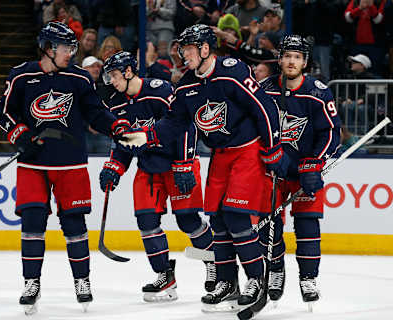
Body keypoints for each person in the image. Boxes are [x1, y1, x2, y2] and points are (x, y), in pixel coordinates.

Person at [118, 24, 288, 308]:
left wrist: (272, 149)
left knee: (236, 217)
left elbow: (264, 108)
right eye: (182, 49)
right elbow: (174, 122)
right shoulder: (186, 84)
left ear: (205, 48)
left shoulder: (232, 71)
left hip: (247, 151)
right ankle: (227, 281)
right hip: (220, 155)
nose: (183, 54)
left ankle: (255, 278)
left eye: (188, 48)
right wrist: (147, 135)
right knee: (219, 220)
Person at [0, 22, 131, 315]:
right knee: (32, 224)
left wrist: (115, 125)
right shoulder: (21, 76)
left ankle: (82, 281)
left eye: (73, 47)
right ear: (48, 48)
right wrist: (21, 135)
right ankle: (31, 282)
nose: (72, 52)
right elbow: (2, 113)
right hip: (33, 164)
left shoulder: (79, 78)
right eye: (67, 47)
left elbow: (96, 112)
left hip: (71, 163)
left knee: (74, 225)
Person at [99, 51, 216, 302]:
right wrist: (114, 167)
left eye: (115, 76)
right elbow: (123, 143)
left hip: (177, 163)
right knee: (146, 221)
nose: (112, 82)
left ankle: (215, 262)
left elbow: (186, 125)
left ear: (129, 72)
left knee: (188, 221)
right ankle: (165, 275)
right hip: (149, 167)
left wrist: (184, 163)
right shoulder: (117, 103)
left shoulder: (160, 90)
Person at [260, 34, 341, 306]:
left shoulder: (318, 91)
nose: (291, 61)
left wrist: (314, 162)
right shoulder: (264, 89)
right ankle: (276, 270)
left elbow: (331, 133)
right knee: (269, 224)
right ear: (279, 58)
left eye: (297, 57)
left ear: (305, 61)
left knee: (307, 225)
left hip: (306, 170)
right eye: (287, 56)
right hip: (273, 171)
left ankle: (308, 278)